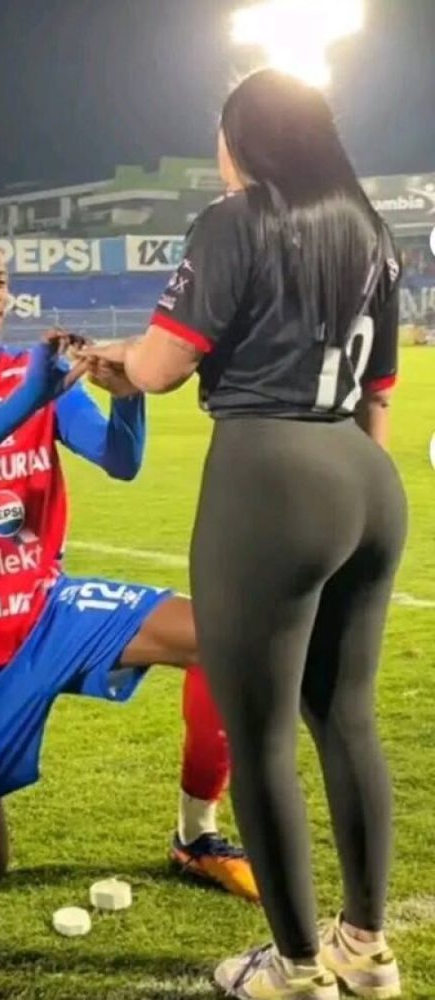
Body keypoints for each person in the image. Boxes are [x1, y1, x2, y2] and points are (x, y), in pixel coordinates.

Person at [83, 69, 407, 999]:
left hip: (268, 476)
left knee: (259, 733)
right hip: (364, 476)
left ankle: (295, 969)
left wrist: (113, 360)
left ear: (245, 140)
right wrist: (347, 485)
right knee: (347, 718)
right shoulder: (371, 231)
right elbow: (379, 391)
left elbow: (161, 366)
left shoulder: (234, 220)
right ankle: (365, 948)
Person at [0, 224, 257, 901]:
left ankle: (196, 836)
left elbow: (120, 461)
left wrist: (126, 395)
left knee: (224, 640)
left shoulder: (34, 372)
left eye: (0, 279)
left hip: (48, 610)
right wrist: (28, 401)